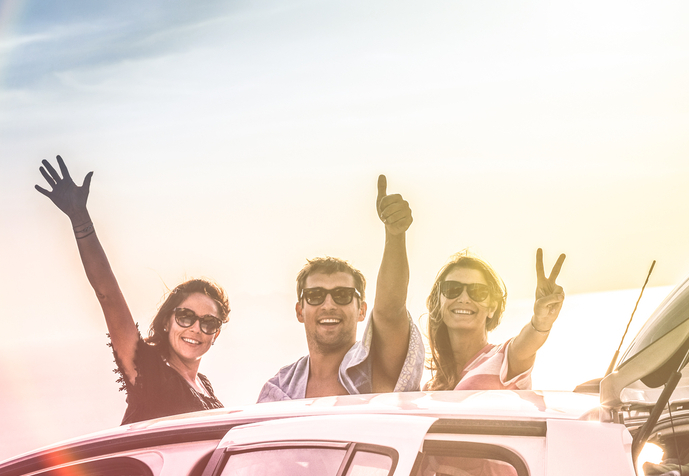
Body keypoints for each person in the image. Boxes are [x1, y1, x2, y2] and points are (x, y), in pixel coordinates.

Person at [34, 156, 230, 425]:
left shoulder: (204, 386)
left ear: (216, 333)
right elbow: (108, 296)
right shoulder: (148, 371)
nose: (196, 328)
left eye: (208, 322)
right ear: (167, 321)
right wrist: (80, 219)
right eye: (186, 317)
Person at [258, 175, 423, 401]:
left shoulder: (376, 372)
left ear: (362, 310)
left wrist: (395, 236)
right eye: (315, 296)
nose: (329, 304)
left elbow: (390, 311)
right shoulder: (279, 390)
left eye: (342, 295)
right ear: (299, 311)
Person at [424, 249, 566, 391]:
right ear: (439, 301)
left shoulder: (505, 358)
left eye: (478, 291)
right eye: (452, 289)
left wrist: (541, 322)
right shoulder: (431, 387)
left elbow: (526, 344)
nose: (464, 298)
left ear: (492, 307)